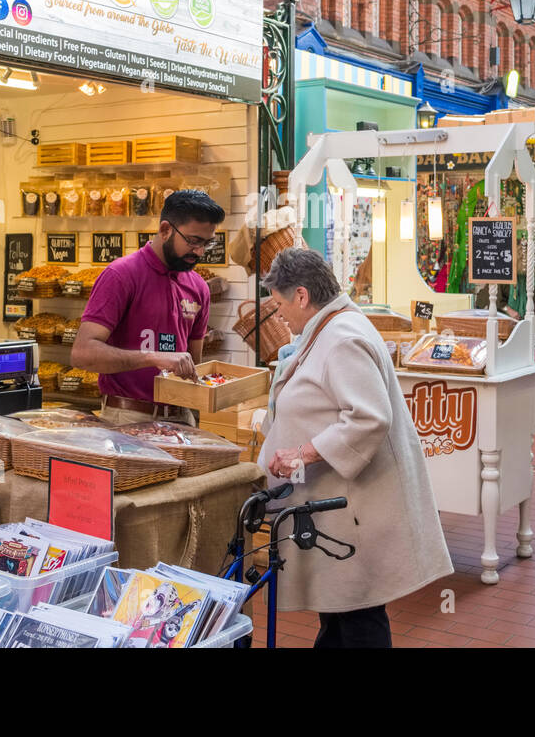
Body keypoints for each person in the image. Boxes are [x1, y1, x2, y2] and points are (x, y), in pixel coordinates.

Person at [259, 248, 453, 647]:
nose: (278, 316)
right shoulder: (331, 329)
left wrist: (304, 452)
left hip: (356, 509)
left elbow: (368, 417)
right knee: (340, 616)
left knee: (357, 615)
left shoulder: (343, 338)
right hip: (341, 506)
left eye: (279, 304)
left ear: (301, 296)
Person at [72, 190, 225, 425]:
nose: (200, 252)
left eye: (207, 243)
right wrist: (153, 358)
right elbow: (82, 354)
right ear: (165, 230)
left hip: (181, 418)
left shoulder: (199, 288)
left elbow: (193, 364)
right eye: (193, 241)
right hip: (127, 417)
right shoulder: (121, 275)